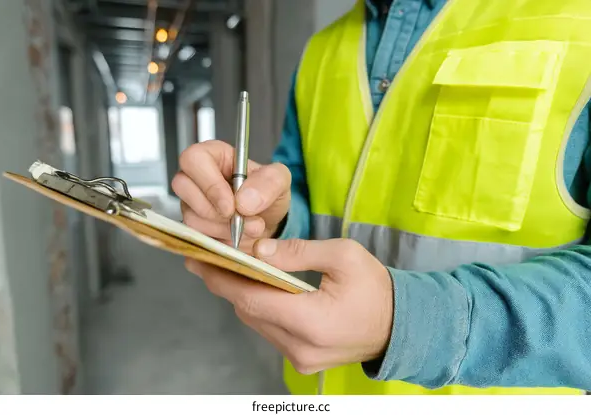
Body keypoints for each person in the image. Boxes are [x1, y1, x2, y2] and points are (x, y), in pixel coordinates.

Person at [172, 0, 591, 395]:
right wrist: (273, 218)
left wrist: (408, 322)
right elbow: (310, 192)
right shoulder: (323, 49)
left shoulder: (578, 22)